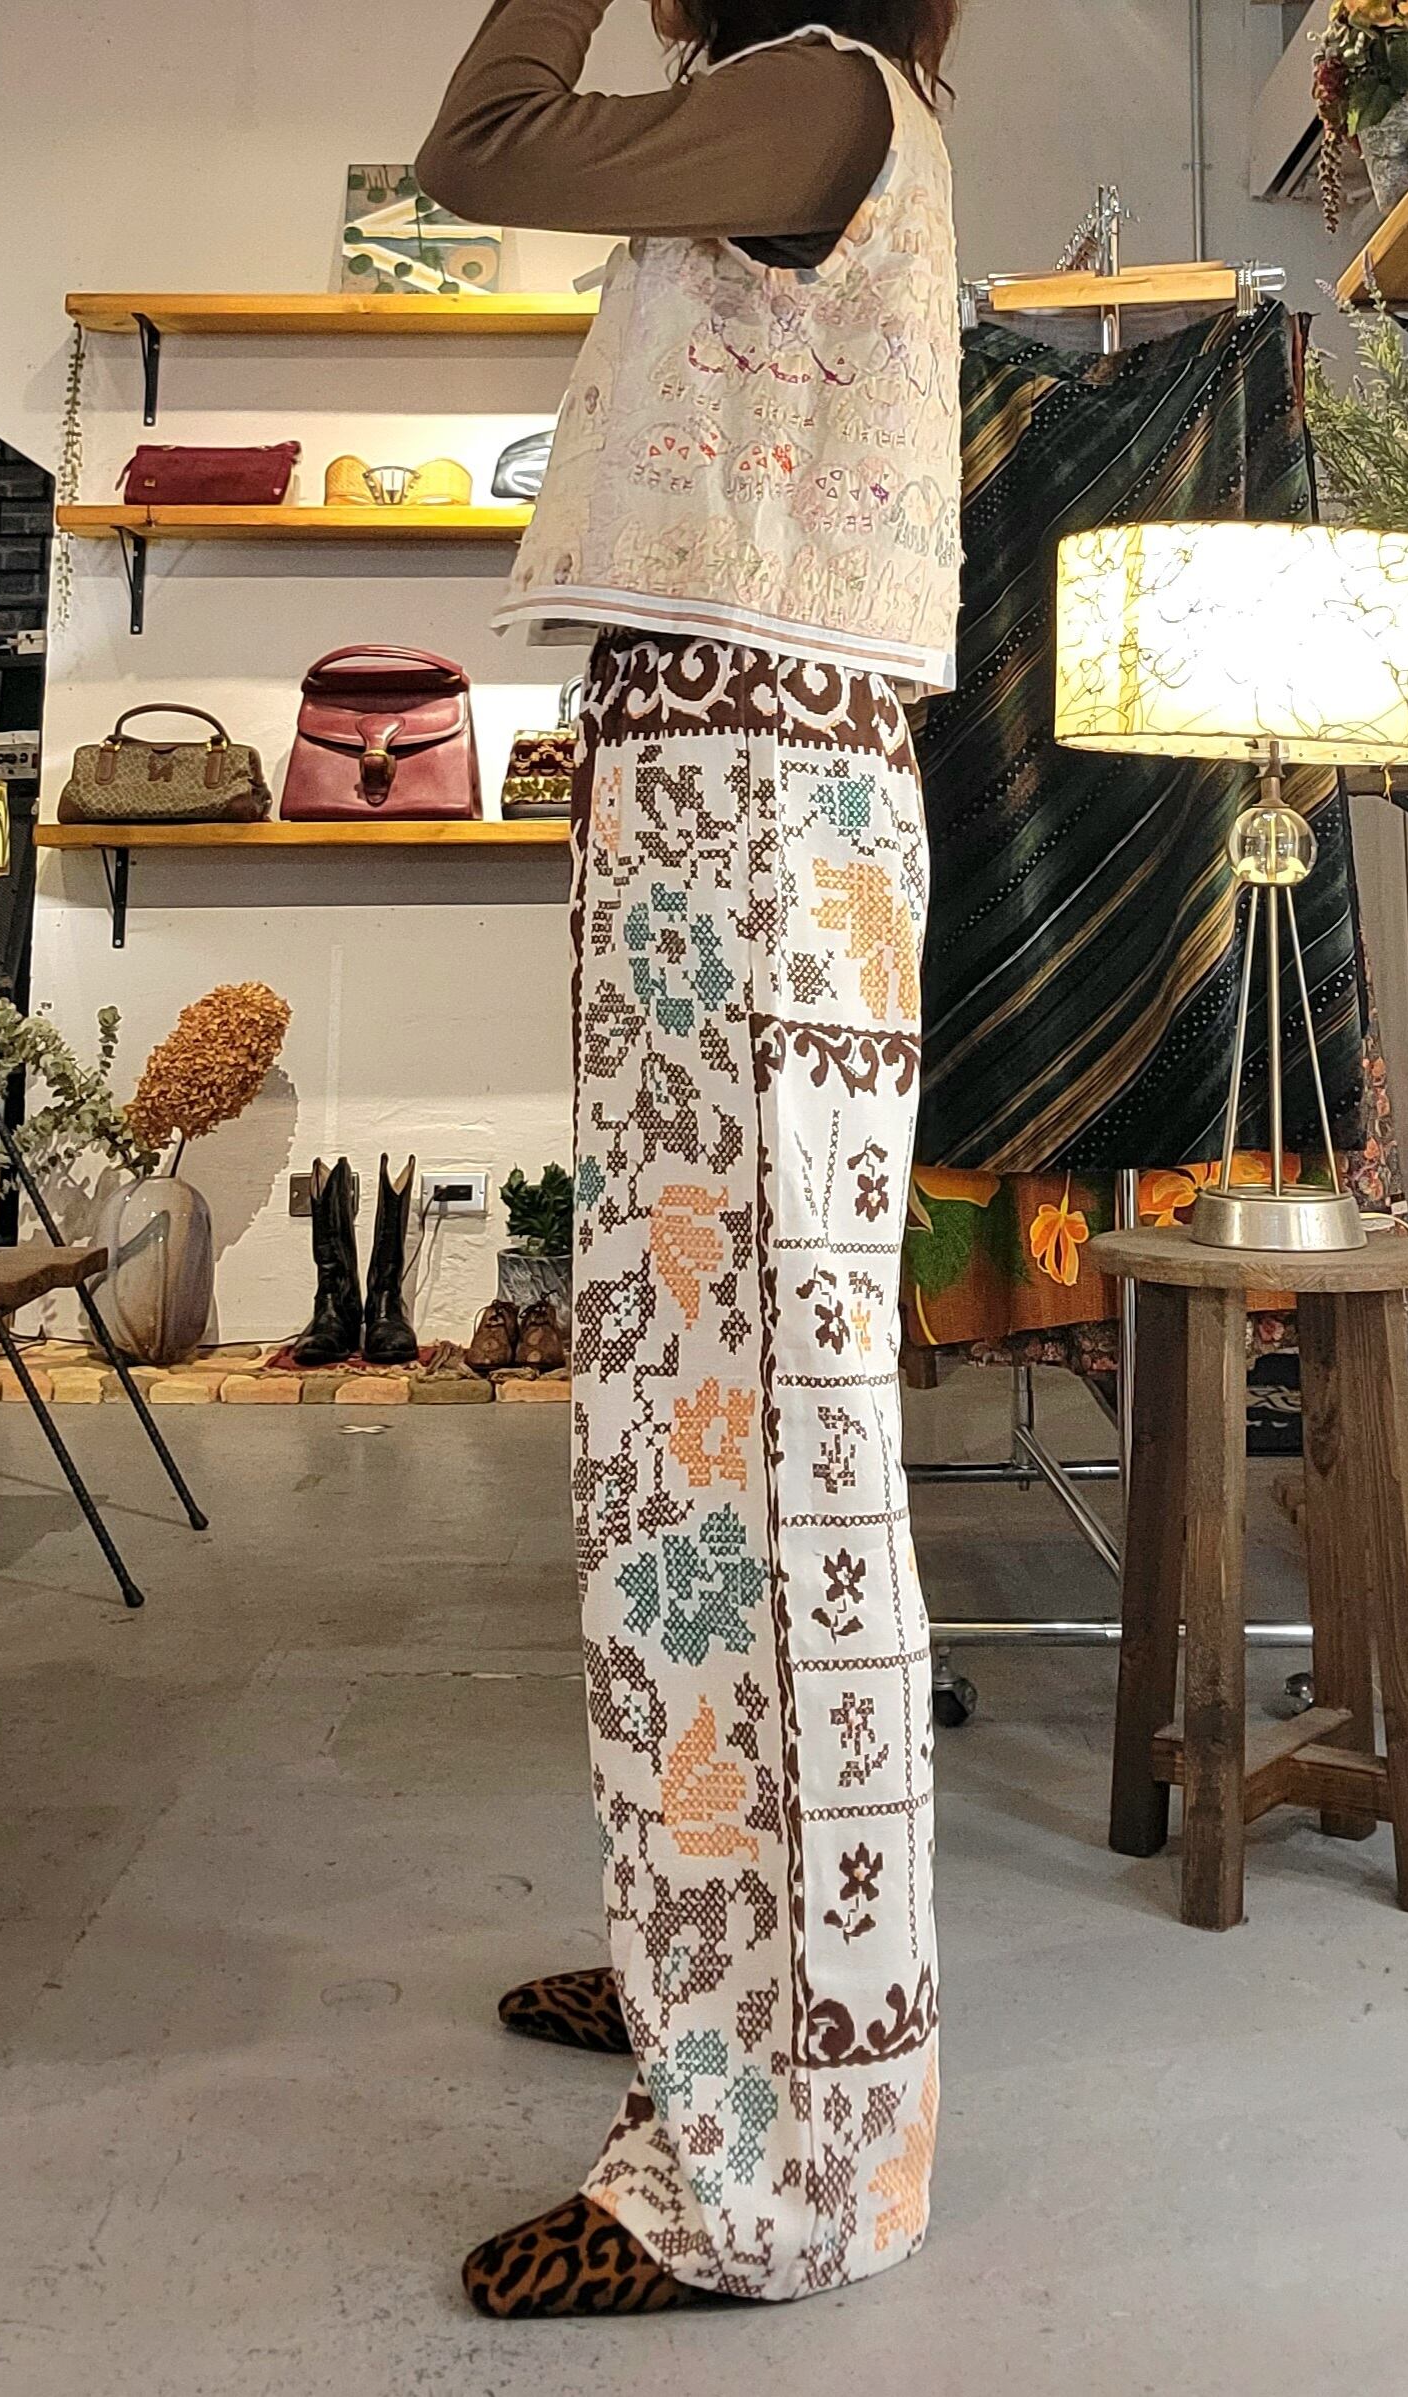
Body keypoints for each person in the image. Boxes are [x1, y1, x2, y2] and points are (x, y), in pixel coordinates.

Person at [418, 0, 963, 2318]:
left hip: (747, 834)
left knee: (743, 1482)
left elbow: (481, 143)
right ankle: (705, 1960)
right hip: (729, 822)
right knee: (698, 1458)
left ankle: (765, 2166)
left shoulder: (819, 95)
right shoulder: (816, 108)